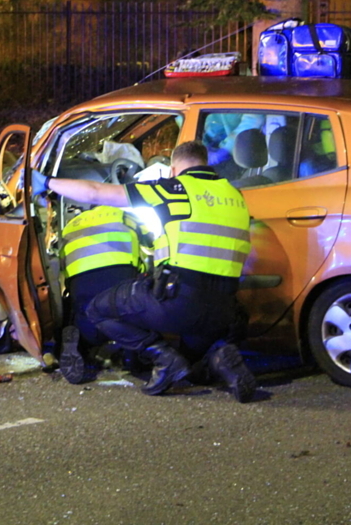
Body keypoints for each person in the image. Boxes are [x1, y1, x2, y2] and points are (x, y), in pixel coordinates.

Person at [33, 141, 257, 403]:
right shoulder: (235, 196)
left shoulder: (174, 189)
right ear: (204, 162)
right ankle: (219, 359)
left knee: (98, 309)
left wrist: (47, 182)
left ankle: (161, 356)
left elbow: (96, 192)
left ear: (173, 169)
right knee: (192, 366)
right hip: (224, 309)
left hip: (178, 303)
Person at [57, 205, 147, 384]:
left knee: (82, 314)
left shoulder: (72, 225)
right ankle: (133, 355)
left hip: (81, 282)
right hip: (120, 278)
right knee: (133, 312)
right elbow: (152, 244)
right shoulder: (124, 215)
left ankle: (79, 344)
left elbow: (62, 263)